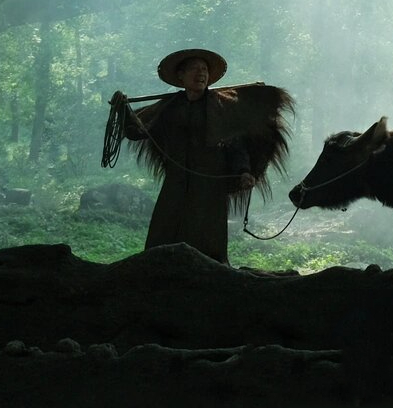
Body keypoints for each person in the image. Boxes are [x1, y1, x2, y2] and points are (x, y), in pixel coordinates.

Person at [108, 47, 293, 264]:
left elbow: (236, 144)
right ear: (181, 75)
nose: (201, 74)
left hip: (210, 189)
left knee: (208, 249)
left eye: (204, 69)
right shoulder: (169, 107)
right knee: (163, 242)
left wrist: (243, 171)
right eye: (194, 69)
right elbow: (138, 131)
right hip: (176, 185)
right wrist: (124, 110)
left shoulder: (222, 106)